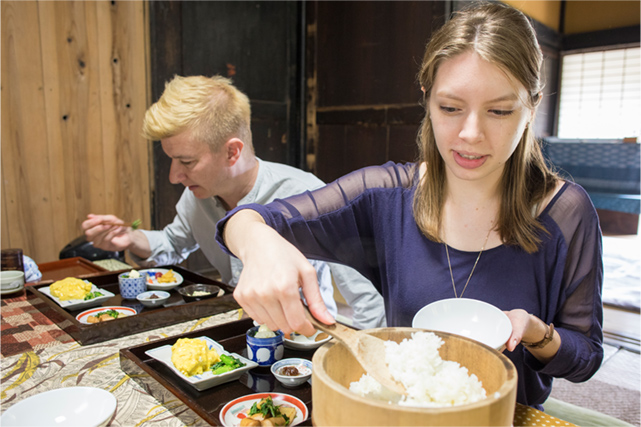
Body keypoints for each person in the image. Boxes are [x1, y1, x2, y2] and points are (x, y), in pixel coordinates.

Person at [216, 2, 604, 409]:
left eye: (500, 111)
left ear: (532, 106)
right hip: (407, 414)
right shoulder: (386, 196)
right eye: (450, 108)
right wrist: (256, 241)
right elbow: (248, 219)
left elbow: (585, 358)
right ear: (427, 99)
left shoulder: (566, 211)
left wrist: (535, 333)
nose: (470, 133)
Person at [81, 75, 386, 330]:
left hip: (302, 338)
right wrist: (131, 237)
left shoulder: (307, 195)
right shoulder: (197, 194)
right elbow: (173, 244)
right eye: (171, 161)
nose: (174, 176)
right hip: (231, 329)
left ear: (232, 152)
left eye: (186, 161)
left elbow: (368, 298)